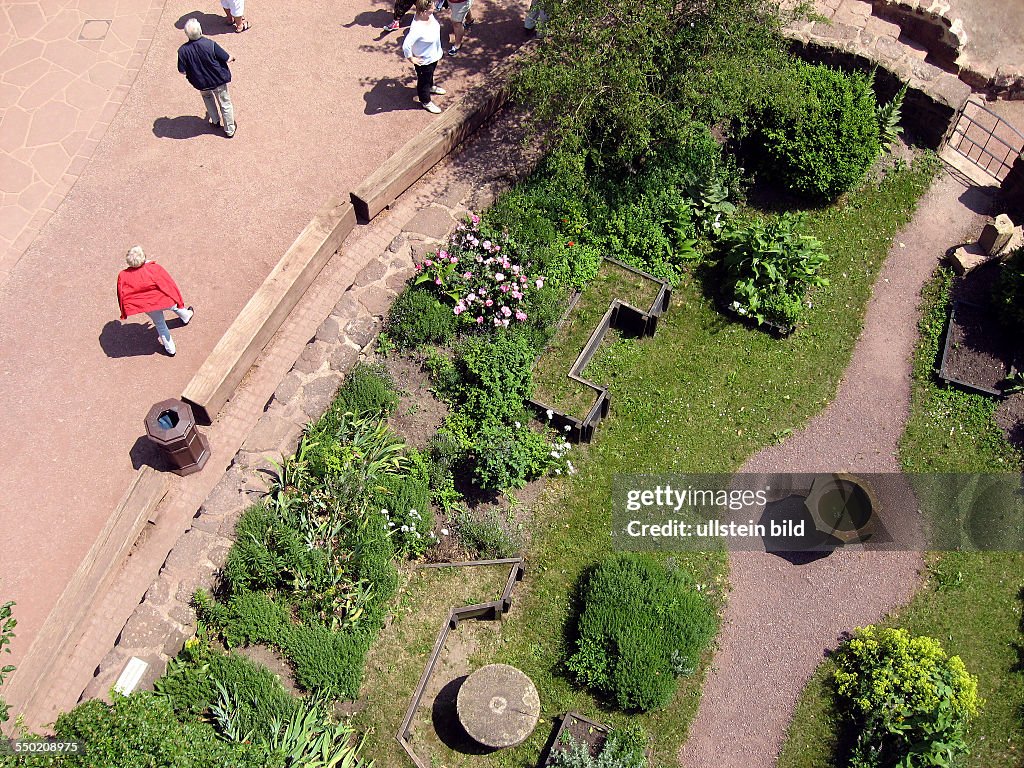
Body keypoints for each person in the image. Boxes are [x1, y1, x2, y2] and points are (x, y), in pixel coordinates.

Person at [117, 247, 194, 357]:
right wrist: (178, 300)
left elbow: (122, 294)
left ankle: (170, 350)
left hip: (148, 305)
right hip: (164, 299)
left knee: (160, 324)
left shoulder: (123, 275)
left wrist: (124, 311)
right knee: (176, 307)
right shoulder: (154, 268)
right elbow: (168, 284)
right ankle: (186, 316)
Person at [177, 18, 236, 138]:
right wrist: (232, 57)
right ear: (200, 30)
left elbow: (182, 71)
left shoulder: (182, 51)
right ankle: (229, 129)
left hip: (201, 82)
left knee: (207, 98)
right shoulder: (210, 44)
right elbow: (227, 58)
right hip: (217, 80)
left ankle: (215, 121)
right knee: (225, 103)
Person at [402, 0, 445, 114]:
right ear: (424, 11)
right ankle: (425, 101)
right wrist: (411, 58)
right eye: (432, 7)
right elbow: (406, 45)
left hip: (434, 56)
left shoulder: (428, 16)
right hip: (424, 61)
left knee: (430, 74)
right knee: (423, 81)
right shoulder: (417, 28)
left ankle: (431, 87)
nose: (434, 7)